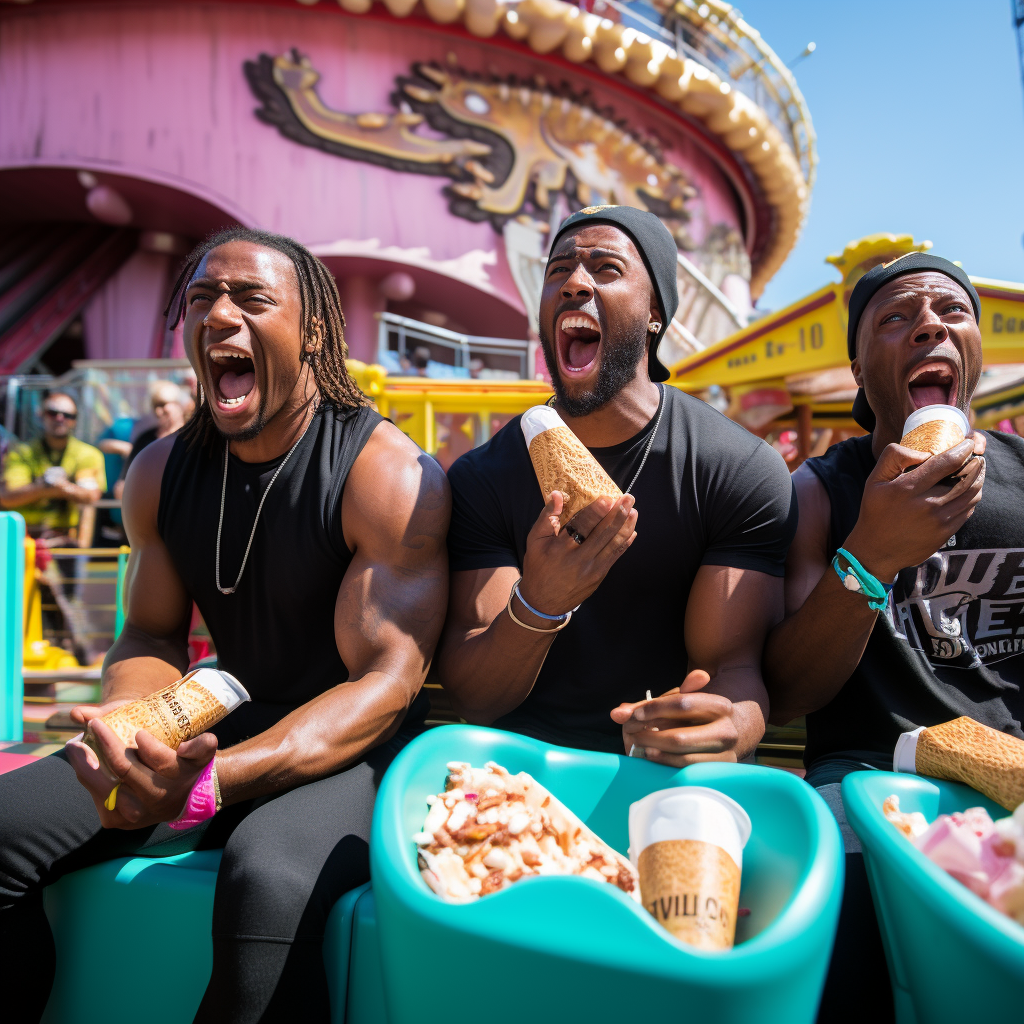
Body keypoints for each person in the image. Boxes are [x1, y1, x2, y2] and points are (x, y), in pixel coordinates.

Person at [0, 228, 450, 1024]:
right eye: (202, 298)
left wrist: (210, 783)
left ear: (313, 331)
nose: (217, 316)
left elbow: (385, 684)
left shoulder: (385, 473)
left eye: (250, 298)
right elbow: (147, 635)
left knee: (266, 877)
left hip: (351, 751)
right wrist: (136, 734)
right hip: (214, 730)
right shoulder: (158, 471)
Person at [762, 253, 1023, 1021]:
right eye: (896, 318)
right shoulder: (818, 491)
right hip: (865, 787)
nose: (931, 325)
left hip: (1015, 782)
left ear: (975, 349)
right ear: (859, 368)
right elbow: (790, 691)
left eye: (952, 312)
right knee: (839, 979)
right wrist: (871, 553)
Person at [437, 205, 796, 764]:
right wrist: (540, 602)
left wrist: (735, 724)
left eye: (606, 269)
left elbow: (735, 668)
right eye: (558, 270)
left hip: (667, 776)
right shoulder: (485, 476)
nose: (574, 283)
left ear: (656, 312)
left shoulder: (737, 468)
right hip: (523, 773)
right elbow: (474, 697)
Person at [1, 391, 106, 547]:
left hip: (67, 540)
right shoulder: (21, 452)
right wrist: (48, 486)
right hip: (23, 539)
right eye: (53, 413)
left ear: (75, 420)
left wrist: (58, 486)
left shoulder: (88, 454)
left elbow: (90, 496)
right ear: (41, 415)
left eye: (67, 415)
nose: (60, 419)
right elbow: (8, 497)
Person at [115, 379, 189, 494]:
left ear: (179, 405)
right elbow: (123, 486)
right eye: (155, 406)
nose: (159, 411)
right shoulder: (145, 439)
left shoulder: (192, 437)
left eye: (163, 404)